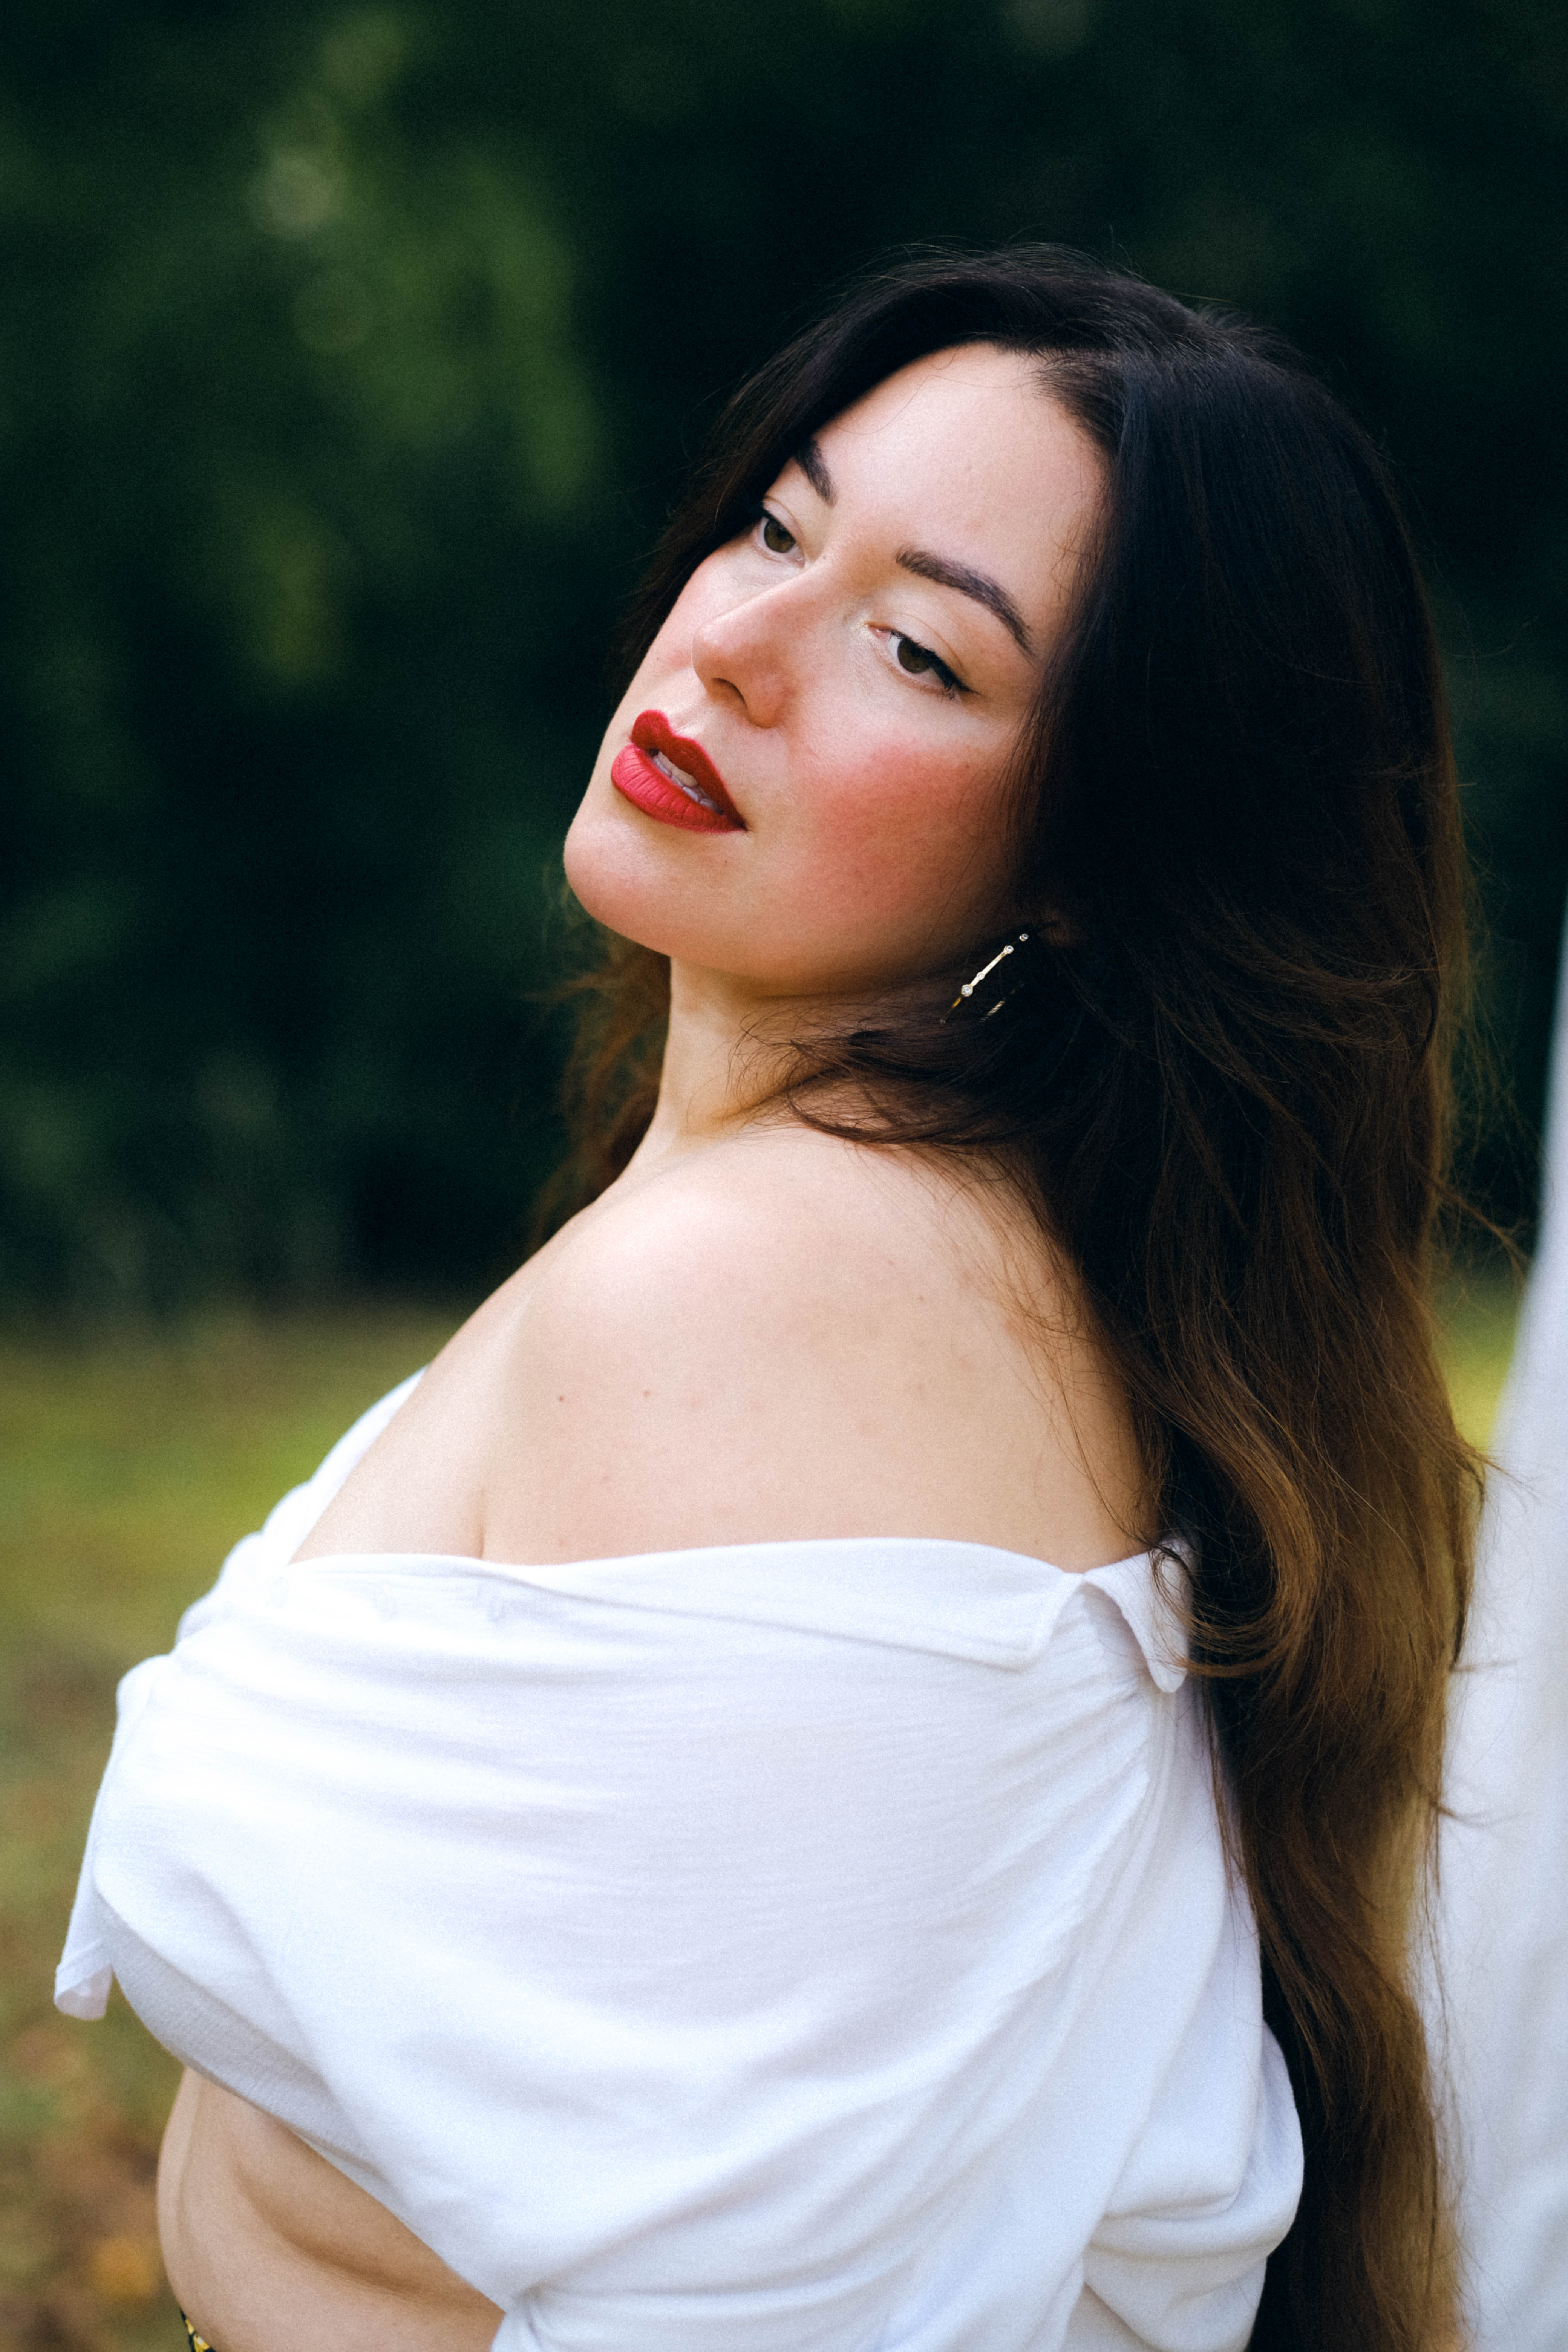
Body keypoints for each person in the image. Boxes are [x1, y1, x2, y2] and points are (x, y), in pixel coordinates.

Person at [56, 249, 1479, 2352]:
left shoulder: (781, 1283)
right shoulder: (900, 1238)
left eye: (917, 648)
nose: (735, 646)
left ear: (1098, 854)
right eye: (774, 527)